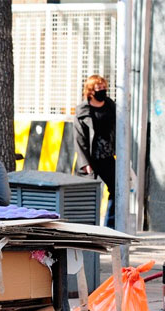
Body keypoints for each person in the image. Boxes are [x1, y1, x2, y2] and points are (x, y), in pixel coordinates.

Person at [74, 75, 115, 228]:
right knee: (89, 194)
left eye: (104, 87)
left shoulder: (112, 106)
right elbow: (79, 139)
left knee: (116, 190)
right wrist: (85, 163)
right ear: (91, 91)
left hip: (108, 156)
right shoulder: (83, 110)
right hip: (91, 158)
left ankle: (110, 226)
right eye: (99, 88)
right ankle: (88, 227)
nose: (103, 90)